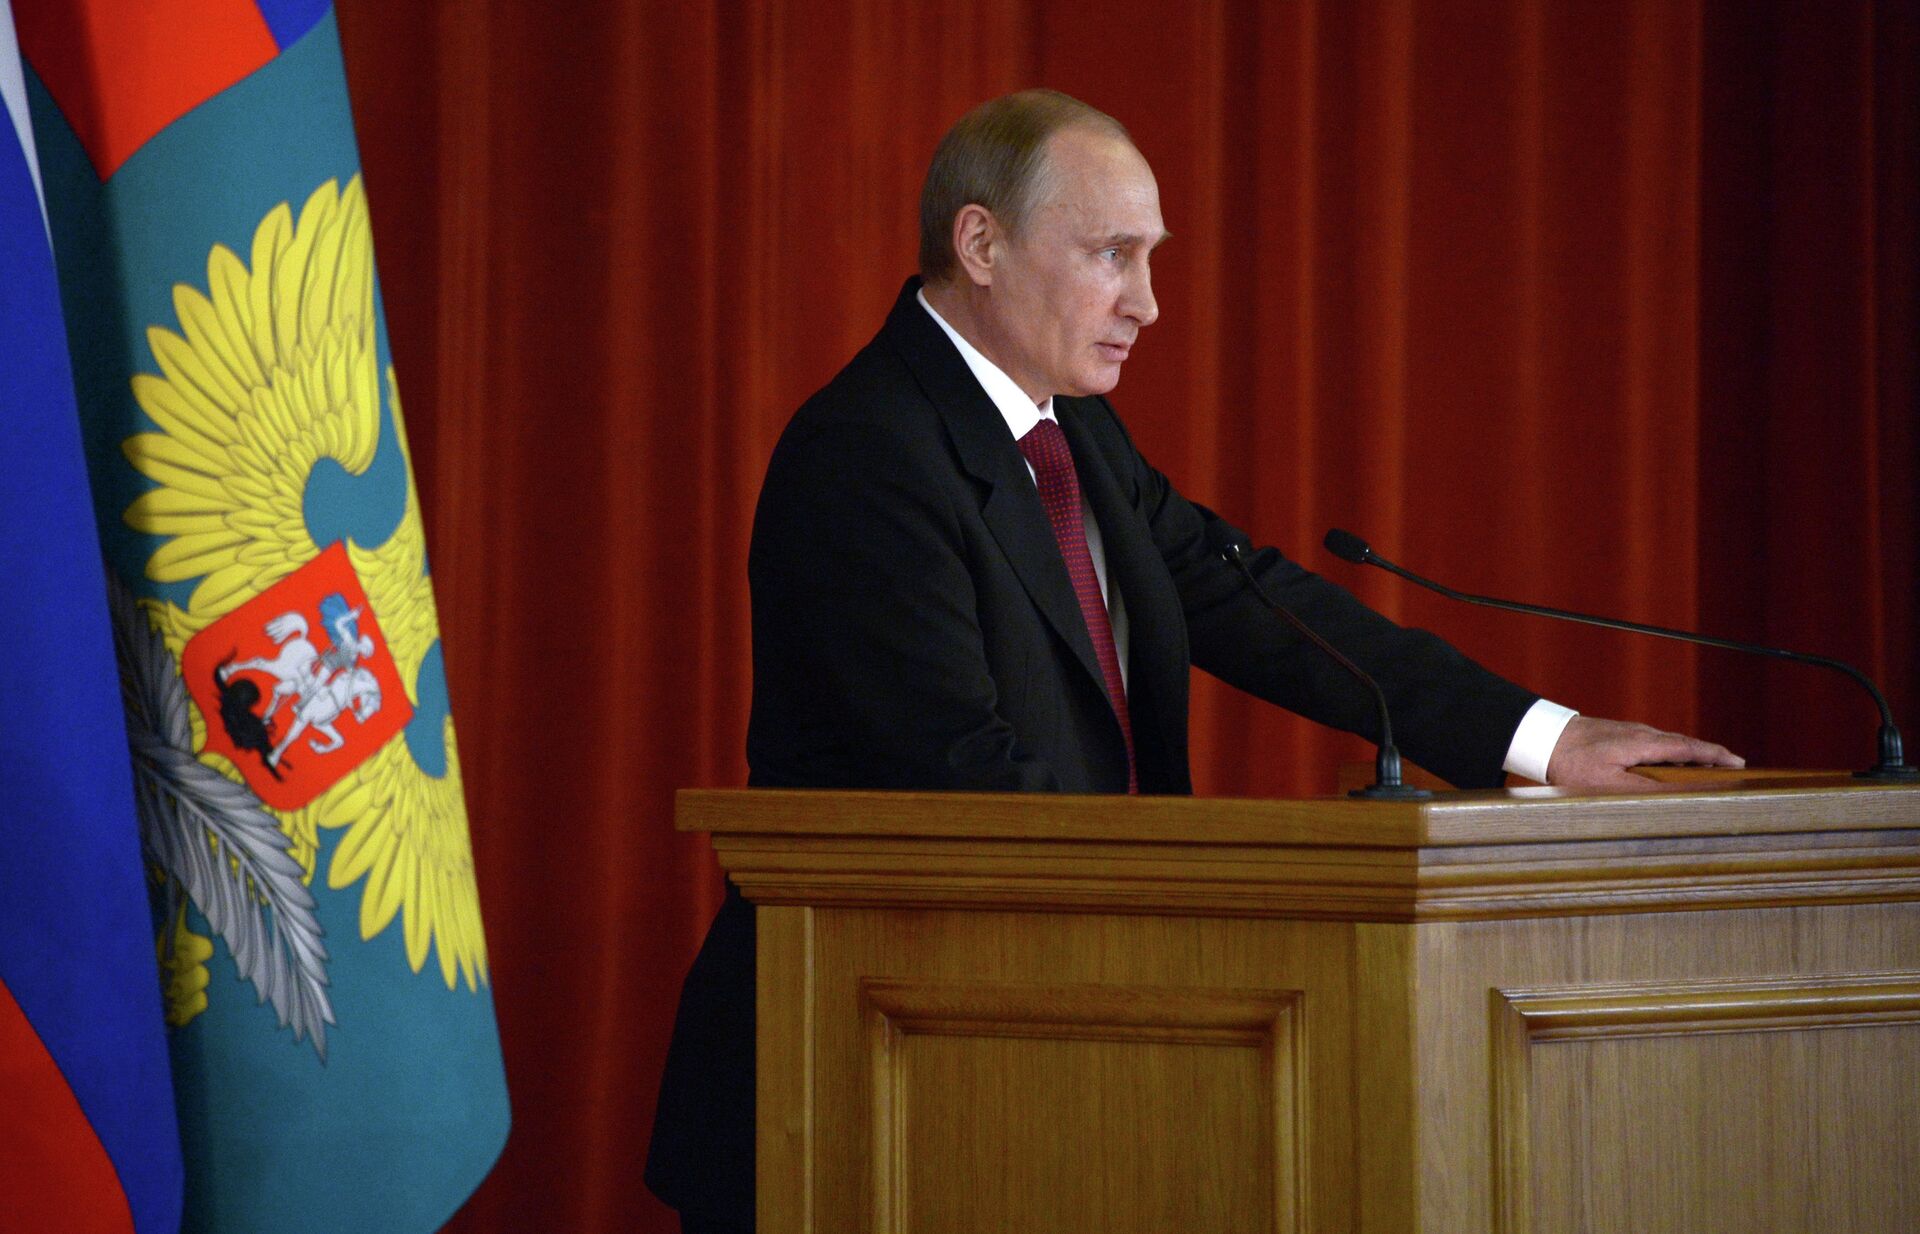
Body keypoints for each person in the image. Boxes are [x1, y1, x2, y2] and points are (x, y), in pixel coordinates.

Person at [645, 88, 1740, 1234]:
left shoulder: (1075, 430)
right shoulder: (868, 449)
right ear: (981, 243)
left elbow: (1254, 601)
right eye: (1111, 255)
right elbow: (958, 778)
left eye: (1151, 258)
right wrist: (1209, 936)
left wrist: (1545, 740)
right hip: (856, 1086)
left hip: (1034, 1063)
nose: (1148, 302)